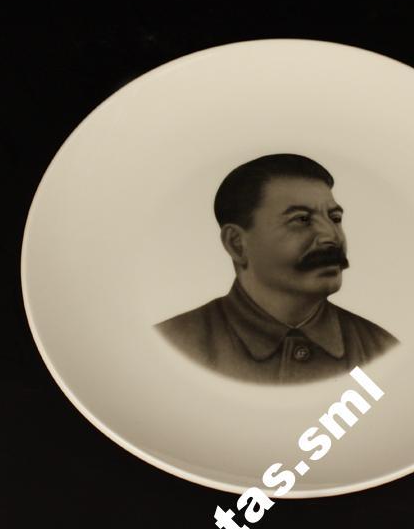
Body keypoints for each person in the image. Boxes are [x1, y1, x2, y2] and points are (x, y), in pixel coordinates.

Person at [154, 154, 399, 383]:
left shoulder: (381, 349)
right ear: (237, 244)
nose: (331, 236)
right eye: (302, 219)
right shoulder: (172, 346)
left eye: (335, 218)